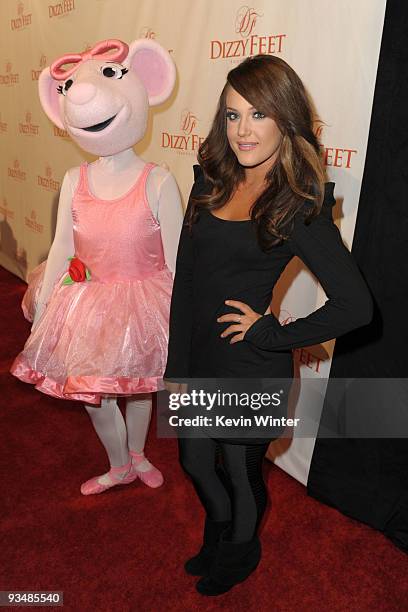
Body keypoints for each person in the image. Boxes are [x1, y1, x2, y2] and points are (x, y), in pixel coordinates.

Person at [164, 54, 373, 596]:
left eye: (258, 114)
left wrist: (270, 333)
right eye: (232, 115)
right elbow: (186, 281)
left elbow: (355, 305)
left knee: (238, 469)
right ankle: (221, 528)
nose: (242, 130)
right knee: (193, 461)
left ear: (285, 118)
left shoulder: (296, 204)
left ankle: (240, 546)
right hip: (200, 356)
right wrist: (176, 367)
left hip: (251, 366)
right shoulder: (209, 180)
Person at [11, 38, 183, 495]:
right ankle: (120, 462)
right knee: (94, 394)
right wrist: (46, 298)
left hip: (146, 302)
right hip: (87, 302)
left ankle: (139, 455)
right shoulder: (74, 180)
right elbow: (64, 244)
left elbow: (179, 257)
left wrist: (189, 319)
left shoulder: (159, 180)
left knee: (140, 386)